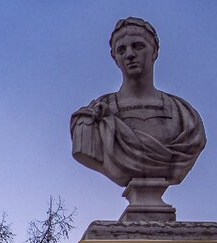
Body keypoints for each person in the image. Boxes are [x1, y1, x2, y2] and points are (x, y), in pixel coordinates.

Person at [70, 17, 205, 187]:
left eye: (138, 46)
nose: (130, 54)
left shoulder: (185, 116)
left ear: (155, 52)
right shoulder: (91, 119)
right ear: (115, 58)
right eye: (121, 50)